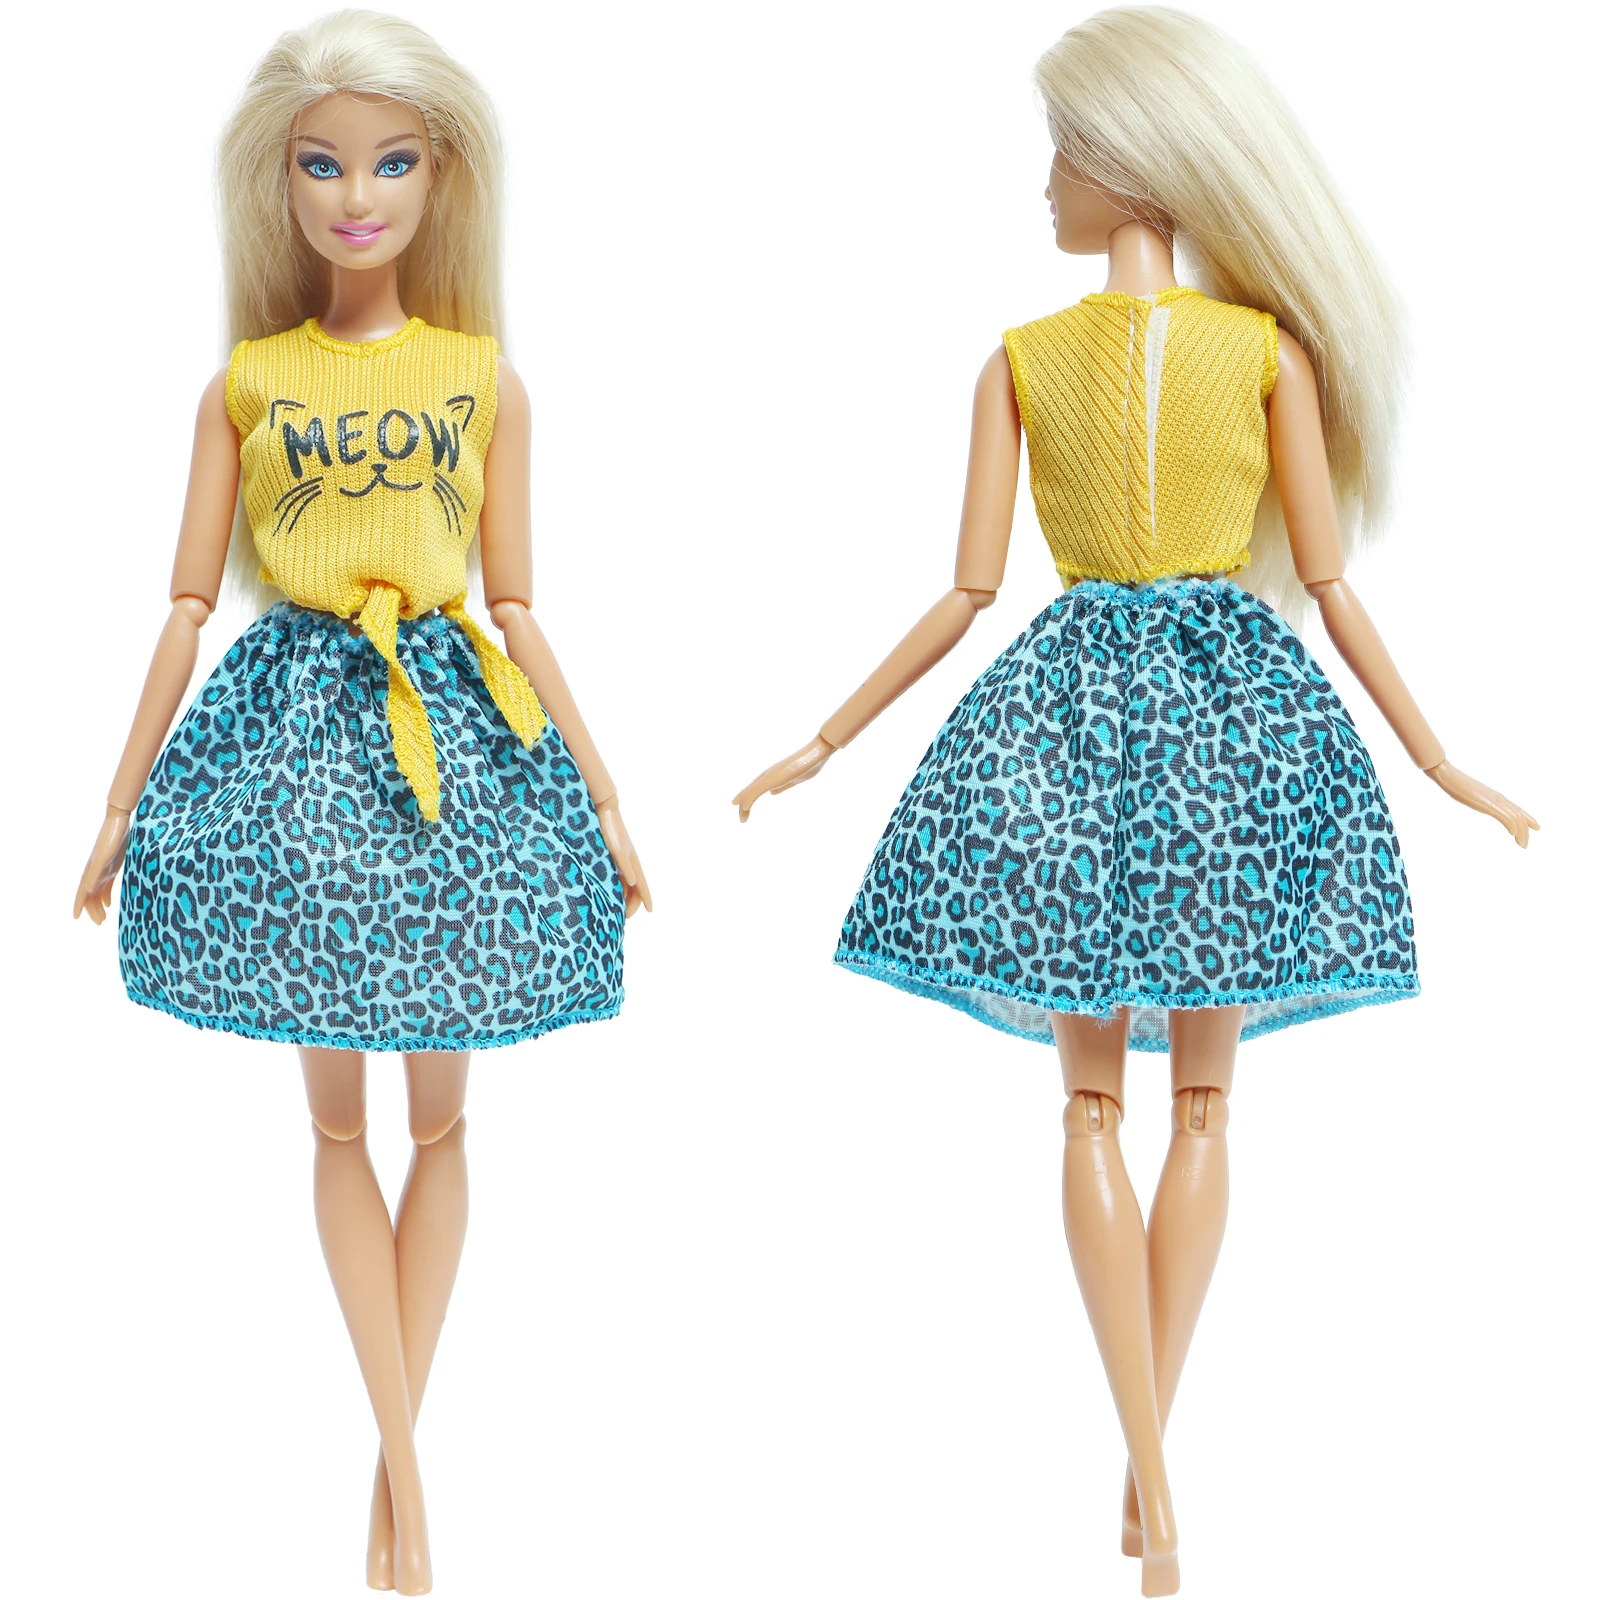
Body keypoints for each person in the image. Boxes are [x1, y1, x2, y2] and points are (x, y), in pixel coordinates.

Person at [733, 8, 1535, 1595]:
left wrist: (826, 741)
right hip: (1235, 735)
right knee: (1201, 1109)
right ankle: (1153, 1481)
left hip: (1073, 729)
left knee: (1093, 1106)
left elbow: (971, 595)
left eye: (1063, 152)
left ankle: (1149, 1477)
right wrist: (1436, 764)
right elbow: (1325, 592)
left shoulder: (1029, 359)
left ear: (1132, 161)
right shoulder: (1254, 352)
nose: (1046, 185)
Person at [71, 11, 650, 1592]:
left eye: (390, 163)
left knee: (440, 1117)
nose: (355, 197)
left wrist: (603, 797)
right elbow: (185, 608)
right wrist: (119, 808)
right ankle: (407, 1476)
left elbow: (519, 605)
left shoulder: (482, 380)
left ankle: (399, 1476)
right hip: (292, 762)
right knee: (339, 1121)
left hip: (451, 753)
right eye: (321, 166)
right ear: (277, 184)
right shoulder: (248, 386)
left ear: (442, 176)